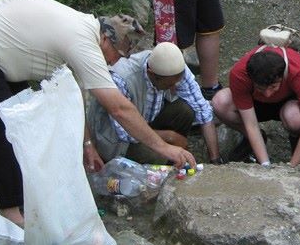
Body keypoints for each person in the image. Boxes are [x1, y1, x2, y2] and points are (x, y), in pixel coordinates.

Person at [0, 0, 197, 226]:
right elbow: (119, 108)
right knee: (4, 128)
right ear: (105, 39)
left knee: (26, 121)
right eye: (115, 55)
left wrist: (87, 143)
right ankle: (12, 212)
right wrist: (166, 148)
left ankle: (29, 196)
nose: (113, 63)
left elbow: (74, 95)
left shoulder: (83, 31)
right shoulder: (83, 42)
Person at [88, 42, 223, 165]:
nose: (174, 86)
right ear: (152, 74)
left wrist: (215, 159)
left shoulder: (174, 67)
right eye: (169, 84)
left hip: (146, 120)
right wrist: (170, 138)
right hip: (118, 140)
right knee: (158, 157)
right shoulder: (122, 79)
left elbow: (202, 110)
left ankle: (173, 157)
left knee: (185, 110)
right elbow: (126, 132)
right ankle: (167, 163)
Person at [211, 45, 300, 167]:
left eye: (273, 87)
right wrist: (265, 165)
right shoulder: (240, 73)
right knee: (220, 102)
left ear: (282, 76)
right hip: (257, 102)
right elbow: (251, 124)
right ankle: (254, 142)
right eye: (261, 88)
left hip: (290, 102)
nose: (268, 94)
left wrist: (291, 169)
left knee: (294, 117)